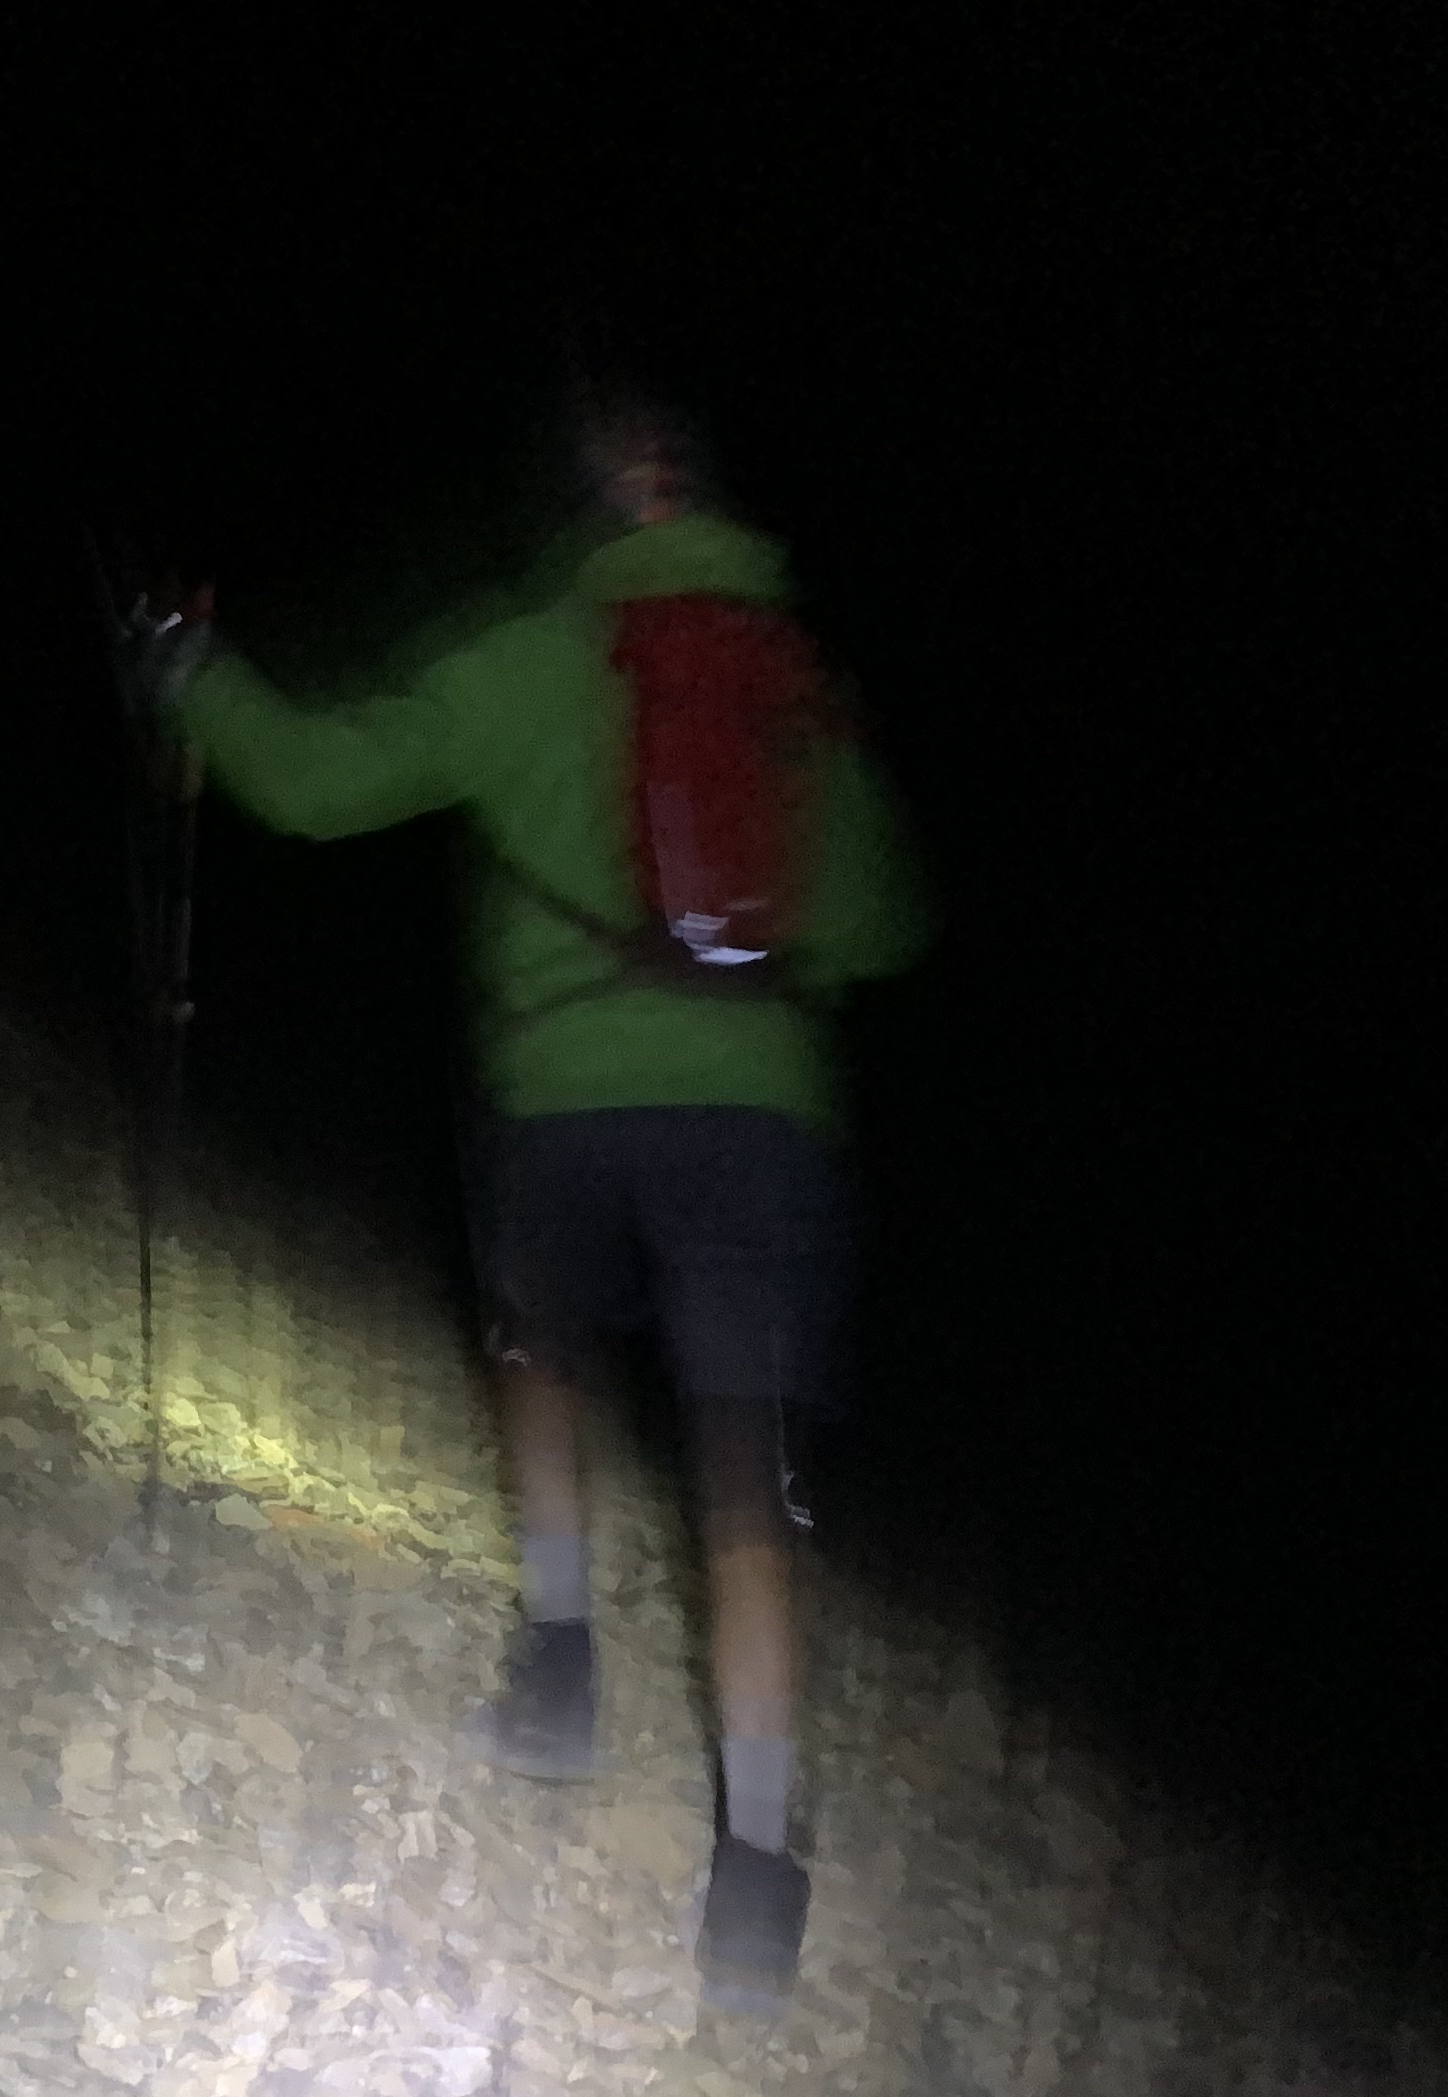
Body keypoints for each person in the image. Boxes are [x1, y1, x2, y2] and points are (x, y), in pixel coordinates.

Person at [137, 397, 932, 2013]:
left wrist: (184, 670)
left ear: (578, 517)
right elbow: (887, 922)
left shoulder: (530, 656)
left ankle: (560, 1677)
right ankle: (758, 1889)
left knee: (540, 1348)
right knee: (747, 1482)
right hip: (765, 1125)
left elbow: (307, 780)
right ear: (711, 504)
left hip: (567, 1101)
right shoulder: (791, 692)